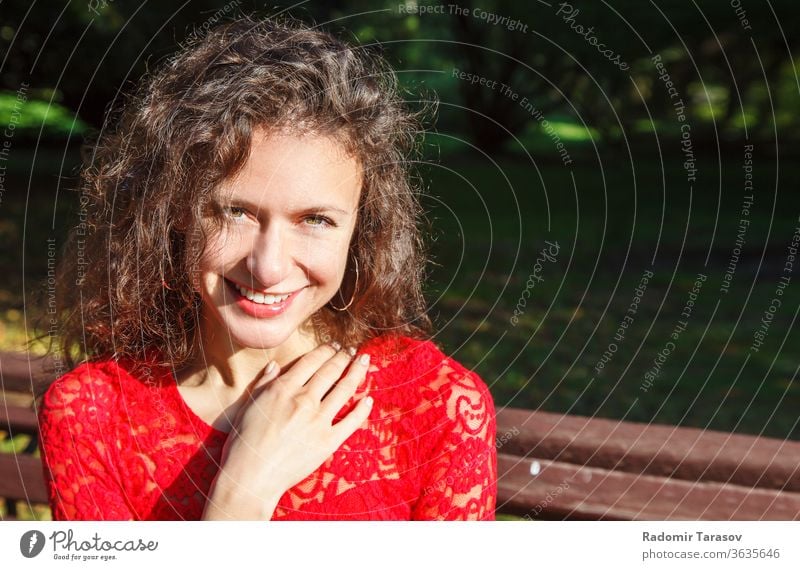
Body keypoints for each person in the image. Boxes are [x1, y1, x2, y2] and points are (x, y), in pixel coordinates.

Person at [37, 14, 496, 521]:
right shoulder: (91, 415)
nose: (269, 267)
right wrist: (243, 492)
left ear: (360, 230)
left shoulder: (437, 409)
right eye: (235, 212)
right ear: (176, 214)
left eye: (315, 220)